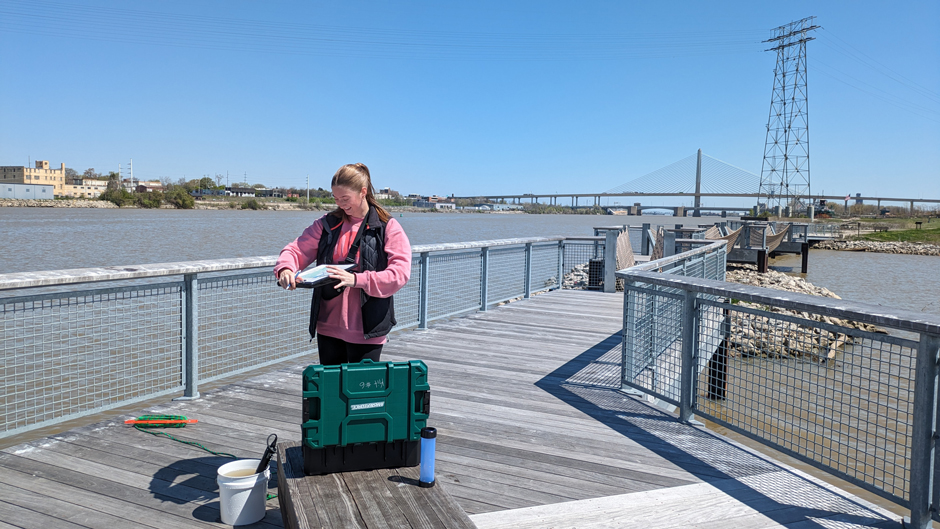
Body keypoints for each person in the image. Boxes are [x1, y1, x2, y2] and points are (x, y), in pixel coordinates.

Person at [274, 163, 411, 365]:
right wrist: (285, 268)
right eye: (336, 199)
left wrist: (357, 280)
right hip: (328, 327)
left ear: (363, 192)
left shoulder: (387, 227)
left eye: (345, 199)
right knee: (330, 394)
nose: (340, 204)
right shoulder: (326, 224)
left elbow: (400, 274)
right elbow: (296, 250)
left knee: (361, 394)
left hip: (367, 330)